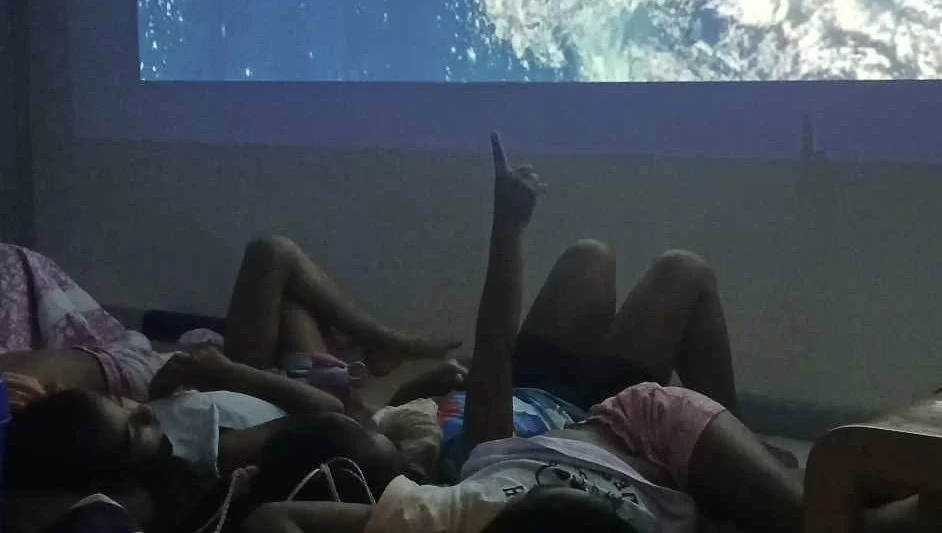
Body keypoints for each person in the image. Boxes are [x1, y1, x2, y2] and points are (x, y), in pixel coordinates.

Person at [239, 134, 919, 533]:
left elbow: (300, 465)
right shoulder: (449, 477)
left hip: (558, 400)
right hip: (610, 418)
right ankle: (741, 456)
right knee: (684, 273)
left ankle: (741, 456)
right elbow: (488, 354)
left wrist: (422, 379)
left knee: (590, 256)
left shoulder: (424, 454)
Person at [0, 236, 459, 404]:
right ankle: (382, 344)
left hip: (197, 367)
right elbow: (337, 415)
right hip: (227, 382)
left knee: (282, 277)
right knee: (273, 255)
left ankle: (380, 345)